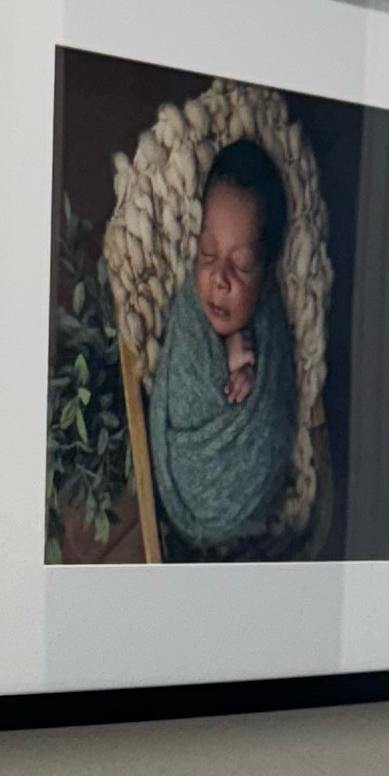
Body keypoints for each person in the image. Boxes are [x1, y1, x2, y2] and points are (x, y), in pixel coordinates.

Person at [148, 138, 298, 555]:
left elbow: (274, 412)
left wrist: (247, 369)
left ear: (267, 275)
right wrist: (226, 353)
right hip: (184, 478)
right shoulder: (191, 312)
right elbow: (182, 381)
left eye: (242, 265)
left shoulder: (269, 327)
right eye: (208, 253)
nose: (219, 278)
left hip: (247, 493)